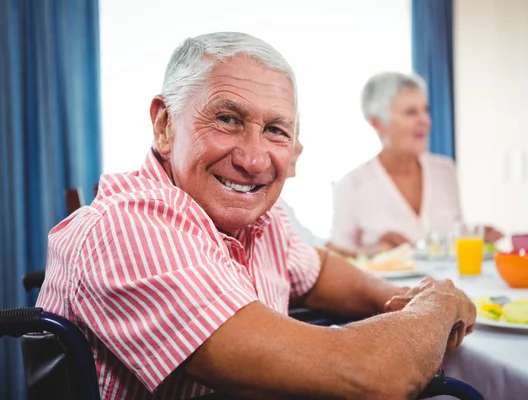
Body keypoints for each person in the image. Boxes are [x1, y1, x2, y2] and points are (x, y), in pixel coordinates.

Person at [36, 33, 475, 399]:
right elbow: (373, 375)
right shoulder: (132, 229)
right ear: (165, 125)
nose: (252, 159)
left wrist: (400, 298)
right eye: (227, 119)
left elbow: (318, 272)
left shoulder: (261, 218)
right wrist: (438, 304)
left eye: (275, 131)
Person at [329, 72, 503, 257]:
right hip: (390, 286)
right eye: (411, 112)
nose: (424, 120)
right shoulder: (353, 184)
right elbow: (335, 257)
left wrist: (474, 237)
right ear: (378, 123)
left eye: (425, 110)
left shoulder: (446, 171)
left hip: (448, 286)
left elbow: (449, 242)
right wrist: (373, 252)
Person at [277, 125, 327, 246]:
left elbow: (309, 245)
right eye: (280, 133)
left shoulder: (279, 207)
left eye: (296, 136)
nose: (300, 147)